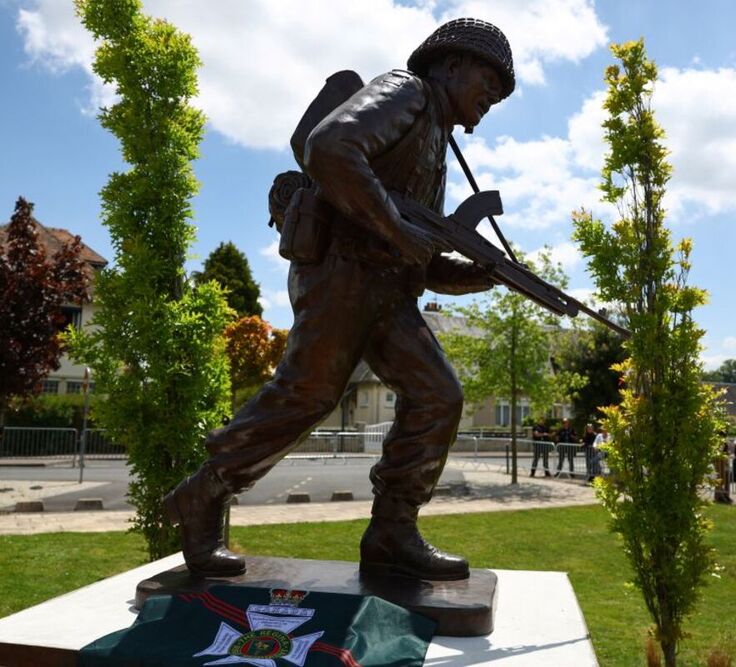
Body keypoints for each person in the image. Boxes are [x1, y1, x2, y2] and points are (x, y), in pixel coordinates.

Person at [163, 18, 514, 579]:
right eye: (489, 80)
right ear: (450, 66)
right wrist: (401, 234)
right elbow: (332, 147)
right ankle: (202, 494)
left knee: (438, 395)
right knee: (308, 397)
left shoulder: (437, 144)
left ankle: (391, 533)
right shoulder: (407, 92)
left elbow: (416, 256)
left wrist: (480, 275)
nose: (493, 95)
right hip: (341, 276)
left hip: (386, 291)